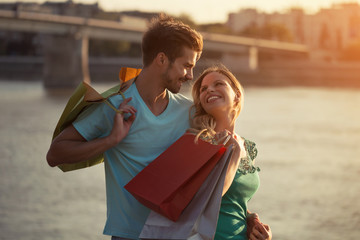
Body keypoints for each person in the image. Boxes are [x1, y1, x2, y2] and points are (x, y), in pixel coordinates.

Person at [46, 14, 203, 239]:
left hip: (179, 234)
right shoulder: (114, 106)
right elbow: (54, 154)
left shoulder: (190, 112)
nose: (190, 75)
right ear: (161, 59)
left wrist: (247, 217)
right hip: (128, 235)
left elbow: (217, 171)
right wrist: (111, 140)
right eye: (187, 66)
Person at [189, 65, 272, 240]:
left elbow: (236, 200)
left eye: (218, 84)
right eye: (204, 89)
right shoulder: (198, 140)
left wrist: (252, 220)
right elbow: (205, 200)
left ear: (237, 95)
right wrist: (233, 156)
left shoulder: (247, 146)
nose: (210, 89)